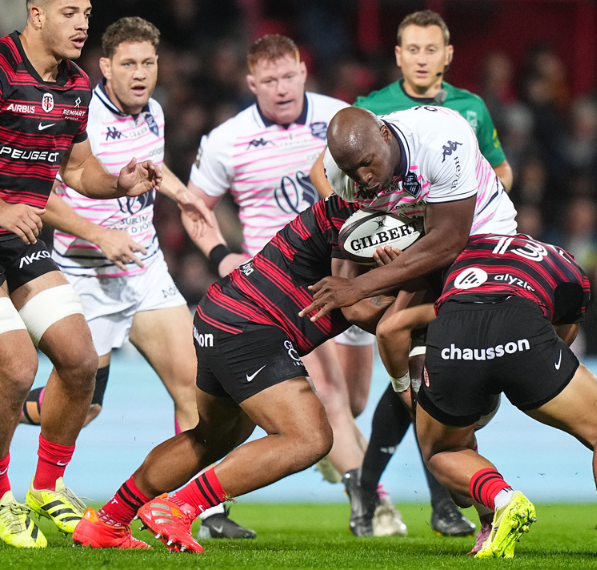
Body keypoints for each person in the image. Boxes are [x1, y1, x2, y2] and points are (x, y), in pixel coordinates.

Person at [0, 0, 160, 548]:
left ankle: (47, 487)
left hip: (15, 242)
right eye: (70, 14)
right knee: (18, 370)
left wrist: (119, 183)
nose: (83, 25)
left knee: (80, 360)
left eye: (87, 14)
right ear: (37, 15)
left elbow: (77, 169)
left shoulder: (76, 84)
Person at [2, 16, 254, 540]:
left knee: (197, 388)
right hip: (84, 276)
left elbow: (150, 169)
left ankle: (195, 510)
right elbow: (36, 196)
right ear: (105, 67)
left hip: (145, 271)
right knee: (84, 407)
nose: (140, 74)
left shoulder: (154, 112)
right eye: (129, 64)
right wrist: (99, 234)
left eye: (148, 63)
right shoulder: (78, 114)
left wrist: (182, 194)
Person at [70, 195, 391, 551]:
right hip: (251, 324)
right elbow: (360, 309)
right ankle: (178, 507)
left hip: (222, 312)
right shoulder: (368, 219)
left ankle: (108, 522)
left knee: (212, 437)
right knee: (309, 438)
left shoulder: (359, 205)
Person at [309, 10, 511, 538]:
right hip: (418, 248)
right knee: (420, 371)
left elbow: (454, 231)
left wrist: (371, 280)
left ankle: (397, 481)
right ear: (398, 56)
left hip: (477, 242)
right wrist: (369, 264)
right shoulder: (361, 131)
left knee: (422, 368)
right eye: (412, 49)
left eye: (430, 48)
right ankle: (457, 501)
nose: (363, 177)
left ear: (447, 55)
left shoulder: (458, 121)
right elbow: (345, 225)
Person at [184, 34, 378, 540]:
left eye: (289, 76)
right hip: (278, 285)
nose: (282, 88)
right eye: (269, 80)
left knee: (353, 400)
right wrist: (221, 255)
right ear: (252, 84)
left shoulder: (340, 120)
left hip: (347, 269)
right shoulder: (227, 138)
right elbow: (194, 205)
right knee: (327, 392)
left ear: (303, 72)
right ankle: (369, 502)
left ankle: (336, 459)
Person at [414, 233, 597, 561]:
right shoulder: (565, 263)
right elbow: (563, 337)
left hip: (452, 332)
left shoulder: (453, 248)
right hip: (521, 327)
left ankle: (503, 499)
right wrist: (523, 372)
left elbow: (391, 324)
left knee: (443, 450)